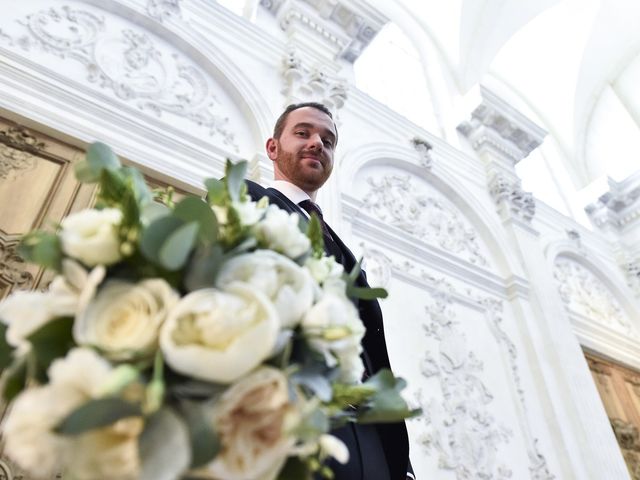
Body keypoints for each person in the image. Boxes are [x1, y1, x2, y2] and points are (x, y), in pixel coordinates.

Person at [246, 102, 414, 480]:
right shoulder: (248, 200)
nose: (317, 144)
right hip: (297, 421)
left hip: (368, 436)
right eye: (303, 133)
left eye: (328, 140)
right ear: (273, 147)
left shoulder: (339, 243)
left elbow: (370, 351)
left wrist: (399, 465)